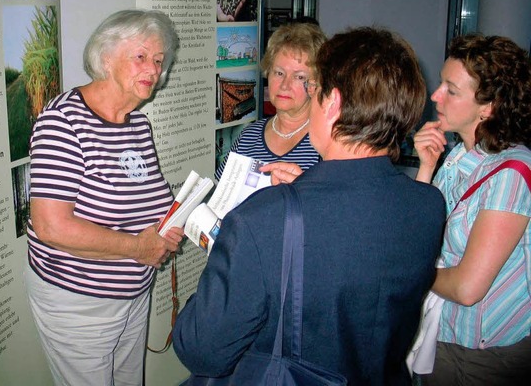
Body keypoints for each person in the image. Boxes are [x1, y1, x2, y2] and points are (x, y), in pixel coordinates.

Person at [174, 27, 446, 385]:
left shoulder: (263, 219)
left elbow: (201, 350)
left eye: (313, 89)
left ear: (331, 103)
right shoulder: (428, 204)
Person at [25, 9, 185, 386]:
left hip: (133, 294)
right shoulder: (63, 122)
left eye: (159, 61)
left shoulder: (139, 125)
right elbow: (51, 227)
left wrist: (176, 225)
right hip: (79, 301)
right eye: (141, 56)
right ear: (105, 56)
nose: (153, 69)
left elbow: (152, 201)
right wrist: (137, 248)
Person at [413, 34, 531, 385]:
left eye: (451, 89)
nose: (435, 95)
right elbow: (420, 233)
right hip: (442, 332)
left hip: (483, 354)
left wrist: (410, 272)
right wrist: (425, 167)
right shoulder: (460, 155)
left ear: (488, 106)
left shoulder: (511, 173)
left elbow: (467, 288)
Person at [215, 21, 327, 179]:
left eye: (299, 77)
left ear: (316, 83)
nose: (285, 85)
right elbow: (221, 197)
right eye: (279, 73)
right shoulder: (248, 136)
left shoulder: (327, 143)